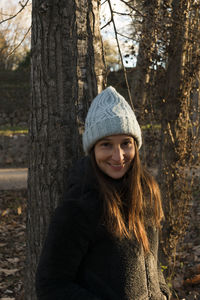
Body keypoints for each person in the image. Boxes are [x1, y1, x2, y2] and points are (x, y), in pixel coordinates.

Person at [35, 86, 170, 300]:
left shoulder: (146, 192)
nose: (118, 156)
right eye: (106, 145)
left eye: (126, 143)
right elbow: (51, 285)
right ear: (93, 149)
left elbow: (151, 261)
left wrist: (163, 294)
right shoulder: (79, 206)